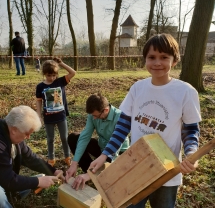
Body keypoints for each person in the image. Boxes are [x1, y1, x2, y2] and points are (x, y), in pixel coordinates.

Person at [89, 34, 202, 208]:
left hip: (167, 172)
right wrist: (105, 155)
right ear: (145, 60)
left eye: (164, 57)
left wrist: (191, 154)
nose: (157, 62)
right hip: (136, 167)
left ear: (174, 61)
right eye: (152, 57)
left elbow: (190, 130)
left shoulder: (186, 92)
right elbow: (123, 126)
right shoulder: (137, 89)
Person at [0, 105, 64, 208]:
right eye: (26, 134)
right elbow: (8, 180)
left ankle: (13, 193)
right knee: (0, 197)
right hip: (5, 179)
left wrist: (53, 171)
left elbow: (31, 158)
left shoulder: (13, 134)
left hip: (4, 175)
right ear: (14, 130)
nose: (28, 137)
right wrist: (37, 182)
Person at [65, 93, 130, 190]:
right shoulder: (93, 115)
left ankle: (92, 174)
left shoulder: (120, 117)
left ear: (106, 110)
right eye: (92, 115)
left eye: (96, 115)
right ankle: (89, 171)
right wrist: (74, 163)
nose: (94, 118)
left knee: (109, 159)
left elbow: (114, 151)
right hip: (102, 147)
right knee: (73, 138)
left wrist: (89, 174)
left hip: (116, 154)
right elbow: (85, 137)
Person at [36, 57, 76, 167]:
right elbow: (38, 102)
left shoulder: (60, 81)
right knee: (50, 139)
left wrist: (61, 63)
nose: (52, 78)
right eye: (49, 75)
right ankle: (51, 159)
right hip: (48, 117)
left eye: (54, 75)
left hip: (61, 116)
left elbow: (73, 72)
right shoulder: (40, 87)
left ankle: (67, 156)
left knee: (64, 138)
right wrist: (38, 115)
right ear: (44, 74)